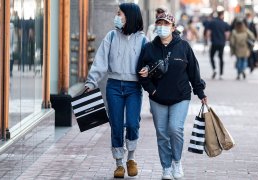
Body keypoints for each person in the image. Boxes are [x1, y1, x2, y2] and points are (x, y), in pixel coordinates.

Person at [137, 12, 207, 179]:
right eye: (159, 24)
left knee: (175, 129)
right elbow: (140, 73)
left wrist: (200, 92)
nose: (162, 27)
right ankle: (166, 167)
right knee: (162, 133)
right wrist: (151, 90)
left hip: (180, 96)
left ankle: (176, 161)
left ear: (173, 28)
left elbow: (193, 72)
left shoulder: (183, 47)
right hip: (157, 97)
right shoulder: (149, 48)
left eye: (166, 24)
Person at [83, 3, 147, 178]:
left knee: (133, 123)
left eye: (120, 14)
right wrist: (91, 82)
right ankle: (119, 163)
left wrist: (148, 69)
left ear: (130, 17)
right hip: (114, 86)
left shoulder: (142, 40)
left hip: (134, 87)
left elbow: (149, 62)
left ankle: (131, 158)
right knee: (116, 125)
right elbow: (100, 62)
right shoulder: (111, 37)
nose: (117, 17)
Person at [206, 6, 230, 80]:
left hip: (214, 43)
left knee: (211, 56)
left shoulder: (212, 22)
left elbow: (208, 32)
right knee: (221, 58)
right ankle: (221, 74)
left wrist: (208, 40)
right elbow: (227, 34)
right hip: (221, 43)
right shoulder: (225, 23)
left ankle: (214, 69)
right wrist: (225, 40)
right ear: (222, 15)